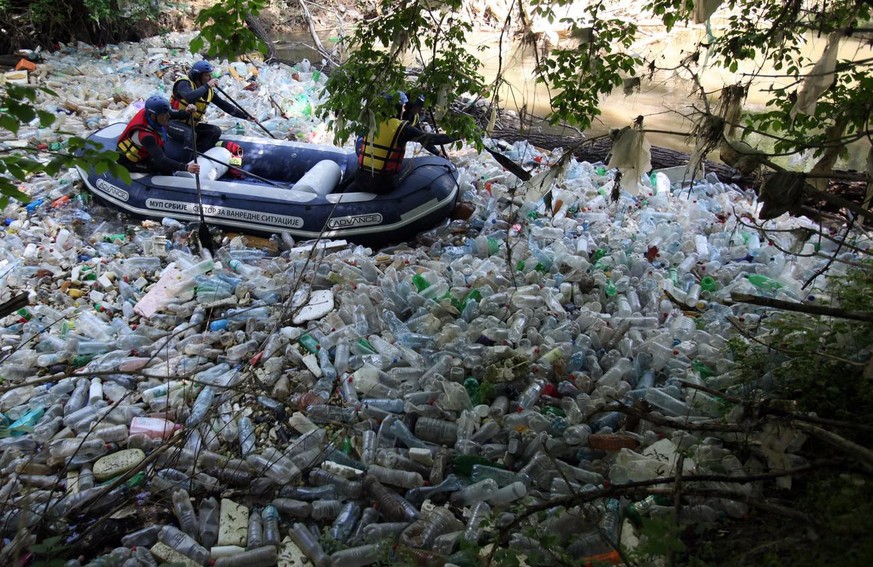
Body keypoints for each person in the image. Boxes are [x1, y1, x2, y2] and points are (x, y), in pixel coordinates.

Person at [355, 92, 456, 194]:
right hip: (380, 183)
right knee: (410, 168)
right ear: (400, 107)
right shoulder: (403, 128)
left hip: (360, 177)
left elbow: (422, 139)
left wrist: (438, 153)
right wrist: (457, 136)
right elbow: (429, 138)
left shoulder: (373, 121)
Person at [166, 60, 252, 158]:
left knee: (215, 131)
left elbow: (224, 105)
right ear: (198, 76)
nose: (210, 78)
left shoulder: (208, 91)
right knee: (190, 134)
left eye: (210, 75)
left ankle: (200, 156)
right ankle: (187, 163)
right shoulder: (183, 83)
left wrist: (246, 116)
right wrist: (207, 86)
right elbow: (190, 97)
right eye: (207, 75)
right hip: (173, 123)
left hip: (191, 125)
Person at [117, 95, 201, 176]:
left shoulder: (151, 113)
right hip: (129, 161)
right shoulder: (145, 135)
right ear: (153, 116)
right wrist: (186, 167)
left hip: (146, 149)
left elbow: (173, 114)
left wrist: (187, 111)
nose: (168, 116)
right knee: (164, 168)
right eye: (165, 115)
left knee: (167, 159)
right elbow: (161, 160)